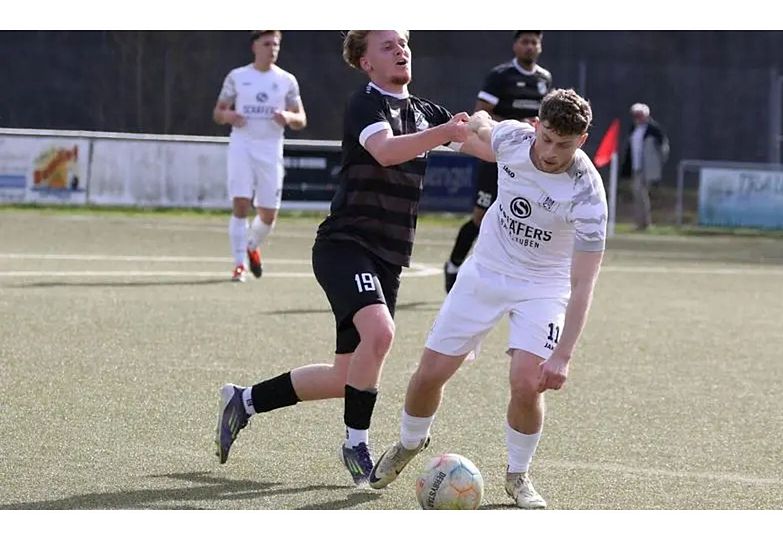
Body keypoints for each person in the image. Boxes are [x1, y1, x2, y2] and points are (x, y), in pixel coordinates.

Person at [214, 30, 488, 486]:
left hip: (388, 257)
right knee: (379, 333)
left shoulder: (423, 111)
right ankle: (355, 443)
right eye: (387, 46)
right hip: (345, 245)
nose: (401, 49)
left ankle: (243, 401)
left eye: (403, 42)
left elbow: (481, 142)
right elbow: (384, 151)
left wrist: (520, 141)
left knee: (348, 374)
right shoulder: (366, 102)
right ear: (365, 63)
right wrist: (445, 132)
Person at [369, 89, 607, 509]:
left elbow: (584, 283)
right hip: (484, 272)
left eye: (564, 145)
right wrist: (475, 121)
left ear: (582, 140)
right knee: (429, 374)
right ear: (536, 126)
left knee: (526, 382)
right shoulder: (514, 138)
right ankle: (409, 444)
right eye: (546, 138)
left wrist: (563, 356)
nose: (551, 152)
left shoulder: (587, 195)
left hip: (543, 286)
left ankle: (518, 476)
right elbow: (482, 128)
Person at [443, 31, 553, 292]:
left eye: (534, 42)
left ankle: (516, 276)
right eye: (525, 41)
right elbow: (481, 113)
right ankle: (455, 264)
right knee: (480, 218)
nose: (529, 46)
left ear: (540, 47)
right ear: (516, 46)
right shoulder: (500, 76)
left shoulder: (544, 79)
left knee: (526, 218)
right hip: (497, 156)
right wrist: (515, 127)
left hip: (529, 162)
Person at [213, 30, 307, 282]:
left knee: (268, 214)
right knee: (241, 203)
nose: (272, 49)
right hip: (242, 145)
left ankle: (251, 245)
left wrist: (288, 117)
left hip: (270, 148)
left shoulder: (287, 80)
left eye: (275, 44)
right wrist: (229, 116)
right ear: (254, 46)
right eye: (267, 44)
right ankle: (239, 264)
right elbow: (218, 112)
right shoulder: (238, 77)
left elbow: (301, 119)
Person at [620, 102, 669, 231]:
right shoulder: (634, 129)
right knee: (638, 193)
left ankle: (644, 222)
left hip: (647, 168)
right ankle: (641, 222)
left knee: (640, 192)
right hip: (635, 167)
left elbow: (663, 147)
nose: (637, 118)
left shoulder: (653, 130)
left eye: (639, 115)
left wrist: (658, 163)